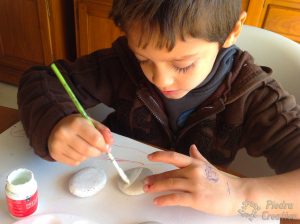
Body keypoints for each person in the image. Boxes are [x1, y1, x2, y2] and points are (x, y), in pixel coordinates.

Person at [18, 0, 300, 218]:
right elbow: (41, 80)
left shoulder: (254, 94)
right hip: (112, 203)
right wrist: (54, 122)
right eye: (143, 59)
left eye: (182, 65)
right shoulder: (121, 64)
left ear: (233, 31)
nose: (160, 80)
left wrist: (237, 194)